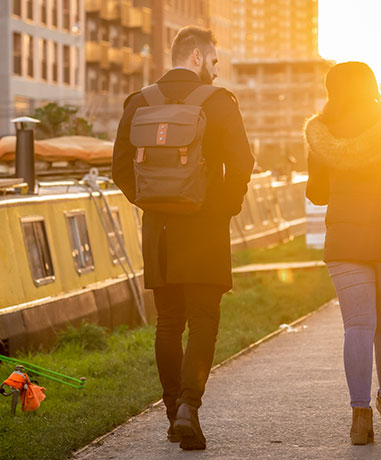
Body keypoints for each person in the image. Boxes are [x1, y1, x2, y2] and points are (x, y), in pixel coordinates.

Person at [112, 26, 254, 450]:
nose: (216, 69)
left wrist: (153, 203)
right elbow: (243, 163)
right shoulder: (219, 102)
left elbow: (120, 168)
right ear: (195, 56)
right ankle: (191, 407)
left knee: (168, 322)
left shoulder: (139, 102)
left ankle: (173, 409)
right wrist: (223, 207)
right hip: (205, 227)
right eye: (213, 61)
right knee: (204, 319)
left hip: (160, 230)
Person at [304, 62, 381, 445]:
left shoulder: (322, 134)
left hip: (345, 242)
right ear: (371, 85)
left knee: (357, 326)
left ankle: (360, 415)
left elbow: (317, 194)